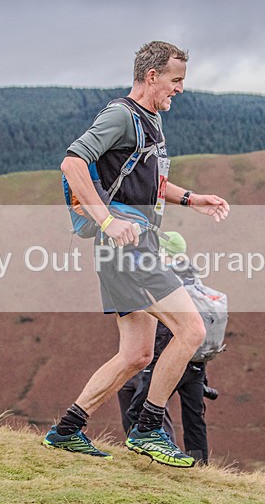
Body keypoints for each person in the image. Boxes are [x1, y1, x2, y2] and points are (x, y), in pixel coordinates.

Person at [43, 41, 229, 467]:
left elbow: (144, 183)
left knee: (137, 354)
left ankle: (67, 430)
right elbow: (72, 163)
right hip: (126, 248)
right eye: (176, 80)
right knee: (192, 331)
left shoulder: (149, 122)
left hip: (131, 246)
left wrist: (192, 199)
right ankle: (148, 429)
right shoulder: (121, 115)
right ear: (152, 77)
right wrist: (107, 221)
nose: (180, 89)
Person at [124, 231, 218, 466]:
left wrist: (153, 361)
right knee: (194, 419)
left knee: (141, 409)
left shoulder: (165, 281)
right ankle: (200, 466)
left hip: (170, 357)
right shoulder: (194, 279)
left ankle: (156, 458)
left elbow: (167, 330)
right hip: (197, 364)